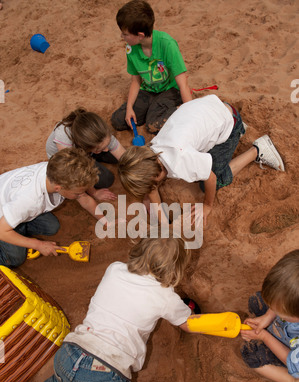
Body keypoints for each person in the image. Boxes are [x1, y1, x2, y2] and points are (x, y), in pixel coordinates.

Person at [0, 235, 201, 382]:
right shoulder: (166, 297)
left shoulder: (115, 269)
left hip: (70, 354)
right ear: (175, 270)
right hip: (103, 374)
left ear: (140, 249)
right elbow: (187, 324)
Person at [118, 95, 285, 226]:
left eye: (150, 187)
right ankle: (233, 128)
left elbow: (210, 177)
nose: (151, 190)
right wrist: (162, 220)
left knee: (210, 182)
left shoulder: (181, 159)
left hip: (229, 123)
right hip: (212, 108)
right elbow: (152, 183)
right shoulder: (152, 149)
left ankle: (257, 149)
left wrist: (207, 206)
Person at [0, 148, 104, 268]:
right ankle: (14, 232)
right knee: (16, 257)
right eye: (77, 193)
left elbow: (85, 199)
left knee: (51, 227)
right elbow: (2, 231)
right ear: (58, 188)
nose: (81, 195)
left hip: (12, 207)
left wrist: (104, 220)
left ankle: (17, 226)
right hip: (2, 224)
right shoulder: (30, 200)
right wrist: (37, 244)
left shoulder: (57, 172)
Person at [111, 0, 192, 134]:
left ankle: (176, 108)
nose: (122, 36)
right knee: (118, 120)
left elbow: (183, 83)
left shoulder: (167, 44)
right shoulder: (131, 49)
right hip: (148, 90)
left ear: (140, 35)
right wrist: (130, 107)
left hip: (170, 90)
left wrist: (189, 109)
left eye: (125, 34)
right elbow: (135, 80)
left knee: (153, 125)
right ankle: (153, 108)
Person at [240, 250, 299, 382]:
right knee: (257, 300)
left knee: (251, 355)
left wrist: (264, 336)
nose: (274, 309)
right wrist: (268, 316)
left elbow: (290, 359)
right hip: (288, 327)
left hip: (293, 357)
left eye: (280, 312)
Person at [46, 108, 126, 202]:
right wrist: (94, 193)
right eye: (101, 148)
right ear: (86, 146)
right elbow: (78, 174)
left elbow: (124, 156)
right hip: (68, 162)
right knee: (107, 179)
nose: (107, 149)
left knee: (122, 158)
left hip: (87, 151)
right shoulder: (65, 140)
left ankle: (97, 152)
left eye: (106, 145)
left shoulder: (96, 131)